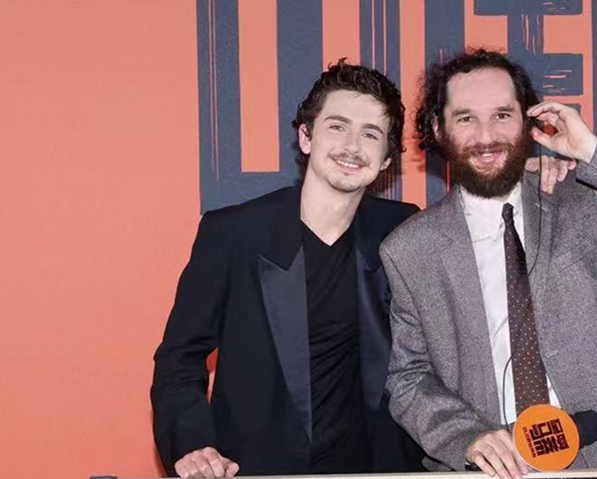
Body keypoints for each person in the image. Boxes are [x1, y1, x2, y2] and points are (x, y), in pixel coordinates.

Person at [151, 58, 569, 478]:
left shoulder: (404, 231)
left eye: (371, 134)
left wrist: (530, 172)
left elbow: (487, 207)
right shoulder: (235, 234)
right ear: (306, 137)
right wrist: (193, 445)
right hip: (257, 470)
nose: (352, 146)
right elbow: (180, 358)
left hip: (381, 471)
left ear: (386, 159)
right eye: (338, 126)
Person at [380, 49, 597, 479]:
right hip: (499, 466)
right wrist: (466, 437)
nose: (486, 136)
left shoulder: (585, 202)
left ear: (528, 121)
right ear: (437, 129)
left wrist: (590, 152)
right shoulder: (410, 249)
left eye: (502, 115)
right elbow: (409, 377)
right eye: (465, 118)